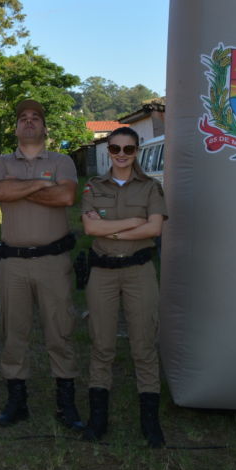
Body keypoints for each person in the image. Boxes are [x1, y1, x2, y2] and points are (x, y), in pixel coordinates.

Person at [0, 99, 83, 430]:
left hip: (53, 262)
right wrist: (44, 184)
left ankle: (65, 404)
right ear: (15, 128)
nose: (29, 122)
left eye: (35, 118)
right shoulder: (0, 162)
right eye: (23, 118)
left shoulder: (62, 161)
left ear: (44, 128)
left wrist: (20, 190)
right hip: (12, 263)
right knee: (13, 333)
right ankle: (17, 402)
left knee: (60, 330)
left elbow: (66, 197)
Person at [80, 126, 168, 447]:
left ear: (137, 151)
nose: (120, 155)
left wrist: (111, 231)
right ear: (108, 150)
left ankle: (150, 423)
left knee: (143, 345)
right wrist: (133, 223)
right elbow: (91, 227)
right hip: (102, 273)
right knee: (101, 345)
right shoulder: (93, 187)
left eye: (127, 149)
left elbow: (155, 229)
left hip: (138, 272)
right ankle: (98, 419)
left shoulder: (150, 189)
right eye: (114, 149)